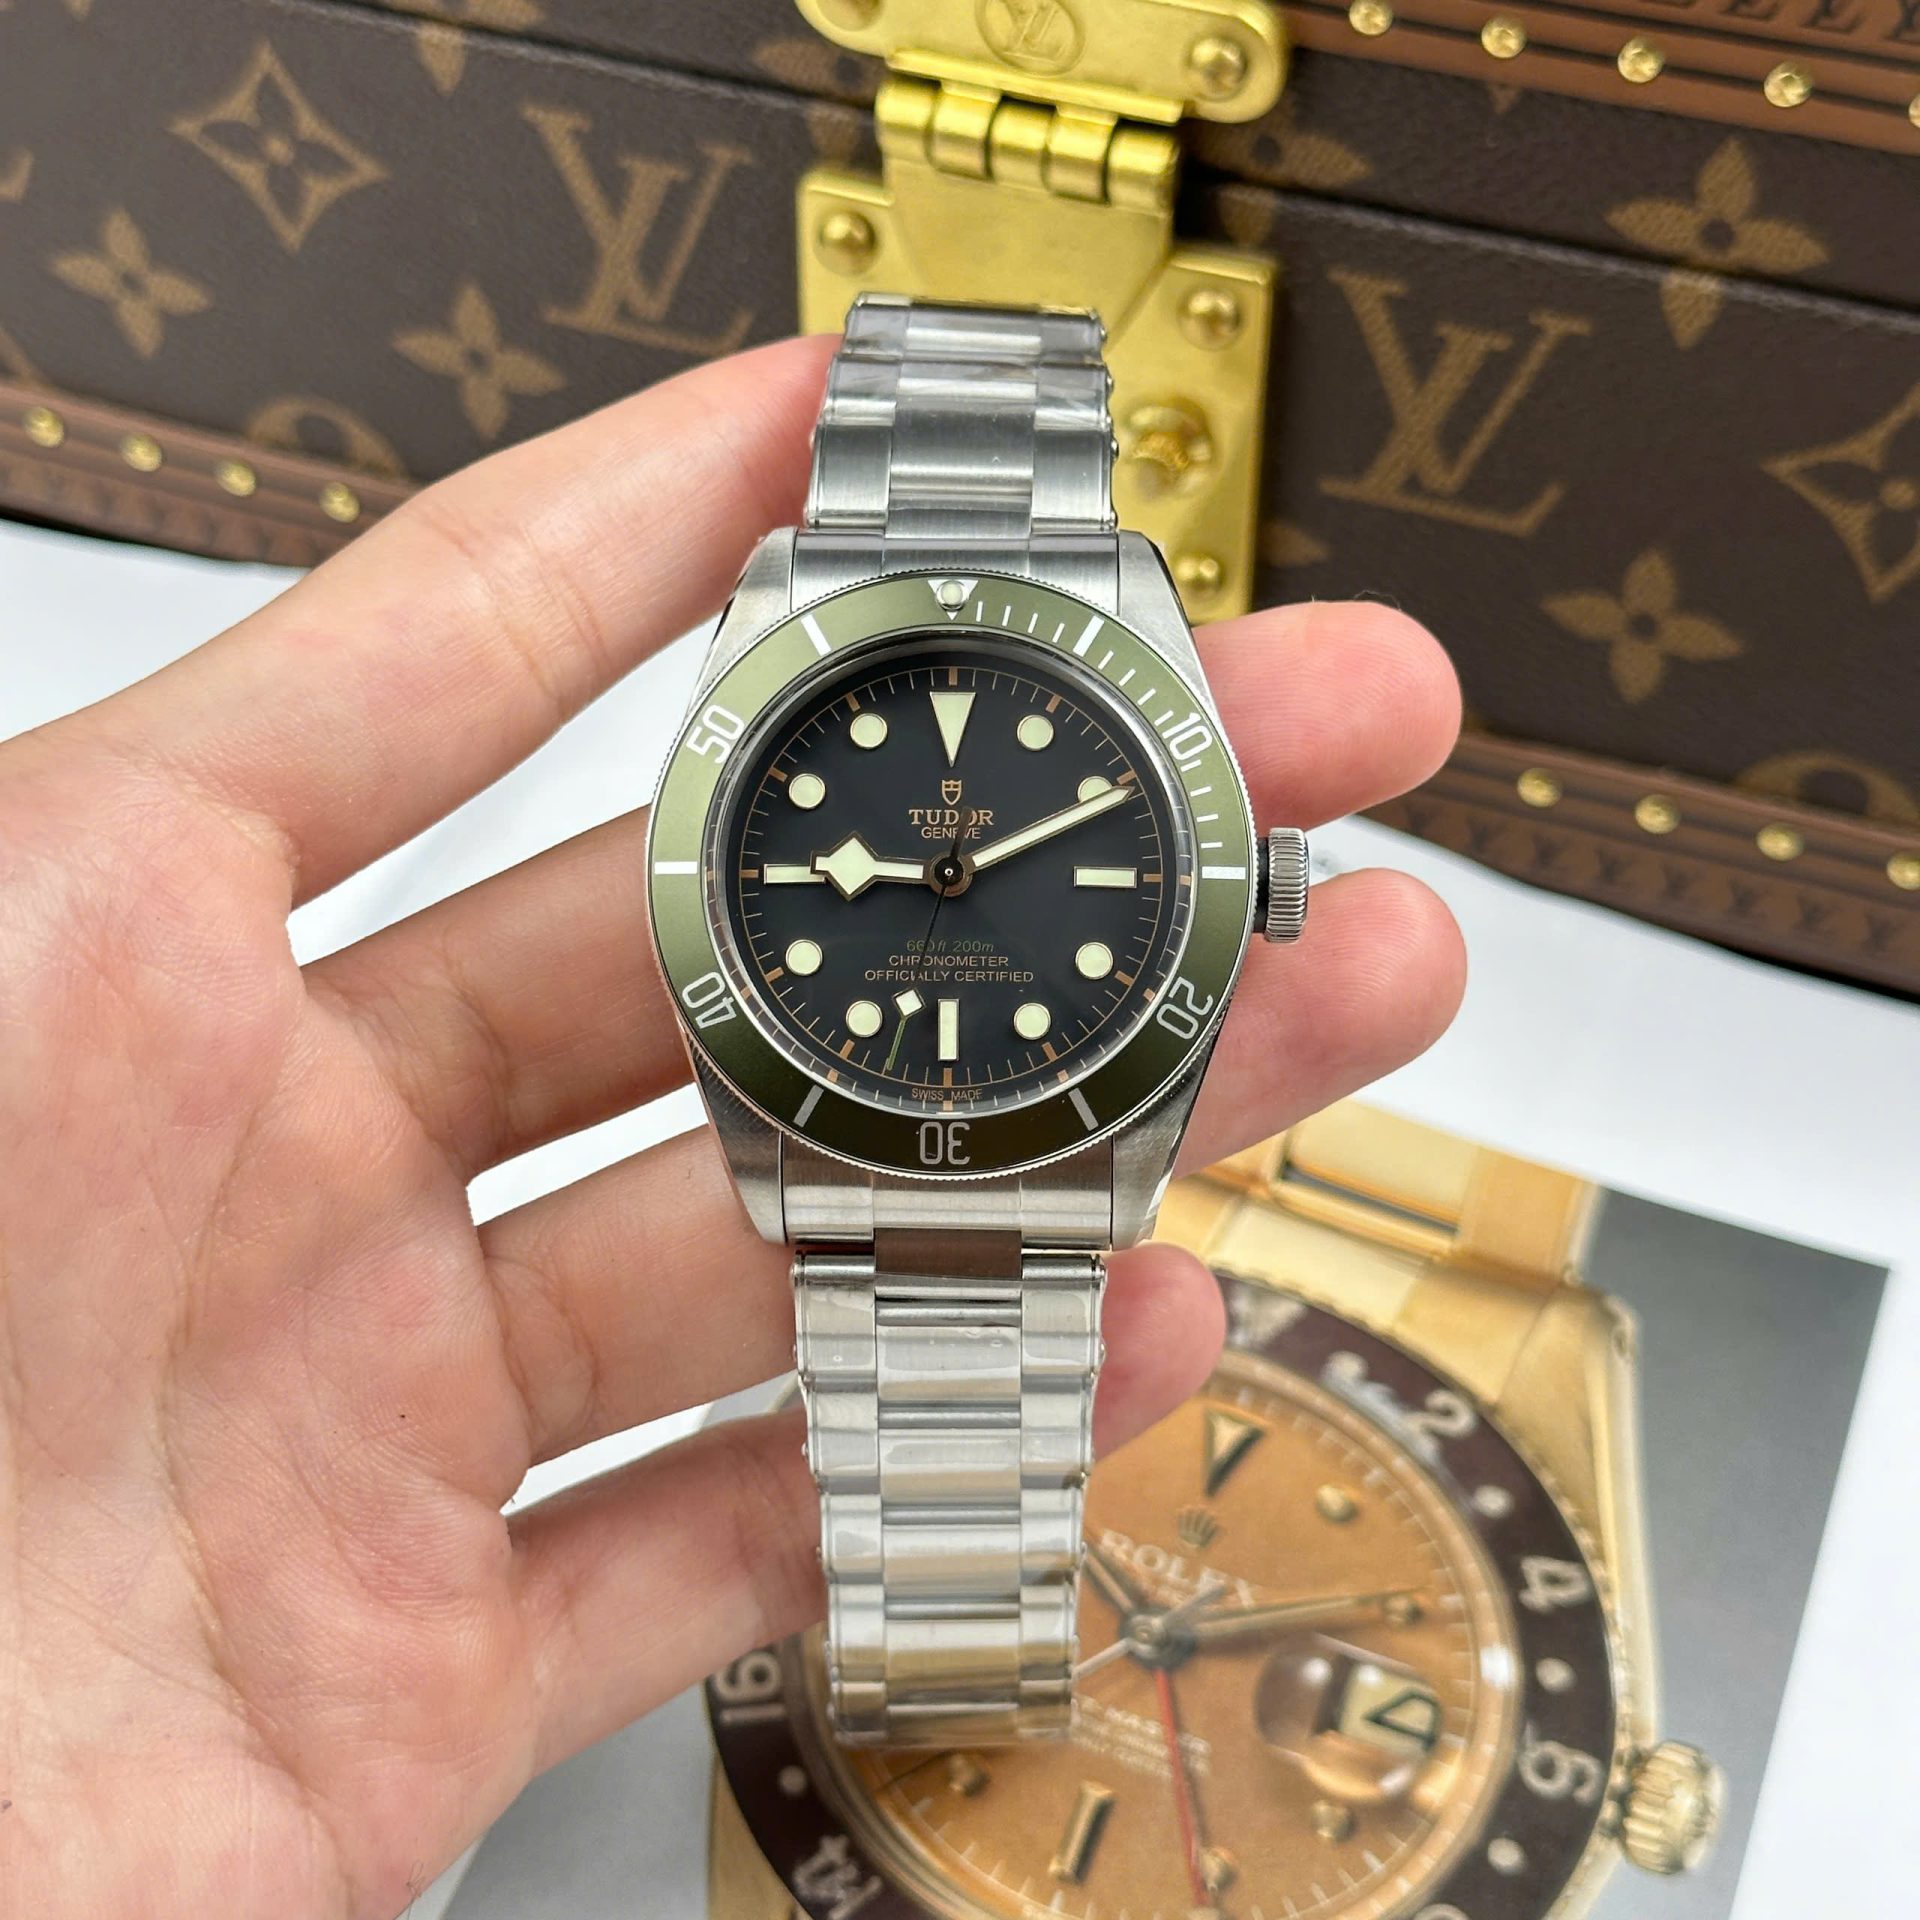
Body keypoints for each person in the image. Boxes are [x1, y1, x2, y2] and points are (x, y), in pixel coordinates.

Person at [0, 335, 1464, 1917]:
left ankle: (954, 1670)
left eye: (970, 867)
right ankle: (948, 1676)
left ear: (1251, 882)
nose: (951, 877)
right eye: (927, 867)